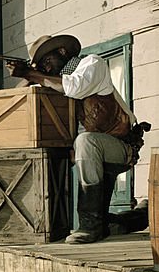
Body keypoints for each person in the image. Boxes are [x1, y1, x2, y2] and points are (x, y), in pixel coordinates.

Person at [7, 34, 138, 244]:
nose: (47, 69)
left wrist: (35, 74)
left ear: (62, 52)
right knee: (110, 226)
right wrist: (27, 76)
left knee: (86, 141)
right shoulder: (55, 80)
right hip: (90, 154)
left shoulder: (92, 63)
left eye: (47, 61)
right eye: (43, 66)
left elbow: (75, 87)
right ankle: (138, 215)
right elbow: (14, 98)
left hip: (120, 147)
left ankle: (89, 227)